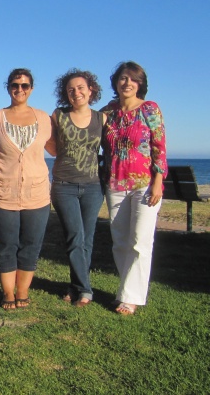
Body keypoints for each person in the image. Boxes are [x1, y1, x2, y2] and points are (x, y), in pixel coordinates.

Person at [101, 61, 167, 316]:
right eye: (122, 78)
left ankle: (130, 298)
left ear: (140, 84)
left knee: (140, 241)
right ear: (116, 82)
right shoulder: (109, 111)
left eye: (132, 79)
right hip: (115, 184)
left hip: (144, 185)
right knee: (120, 242)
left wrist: (158, 183)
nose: (127, 83)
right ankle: (127, 289)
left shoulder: (150, 109)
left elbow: (159, 148)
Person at [0, 69, 52, 310]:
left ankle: (22, 290)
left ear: (31, 89)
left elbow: (56, 147)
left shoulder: (44, 118)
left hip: (38, 193)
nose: (20, 89)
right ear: (8, 87)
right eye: (15, 85)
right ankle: (7, 293)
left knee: (31, 244)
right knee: (6, 244)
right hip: (3, 191)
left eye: (25, 85)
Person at [46, 69, 106, 308]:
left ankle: (75, 285)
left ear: (91, 90)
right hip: (64, 186)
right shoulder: (58, 115)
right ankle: (85, 289)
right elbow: (51, 146)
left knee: (87, 239)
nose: (76, 92)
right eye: (71, 89)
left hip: (93, 187)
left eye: (81, 87)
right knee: (75, 237)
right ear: (66, 94)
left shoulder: (102, 118)